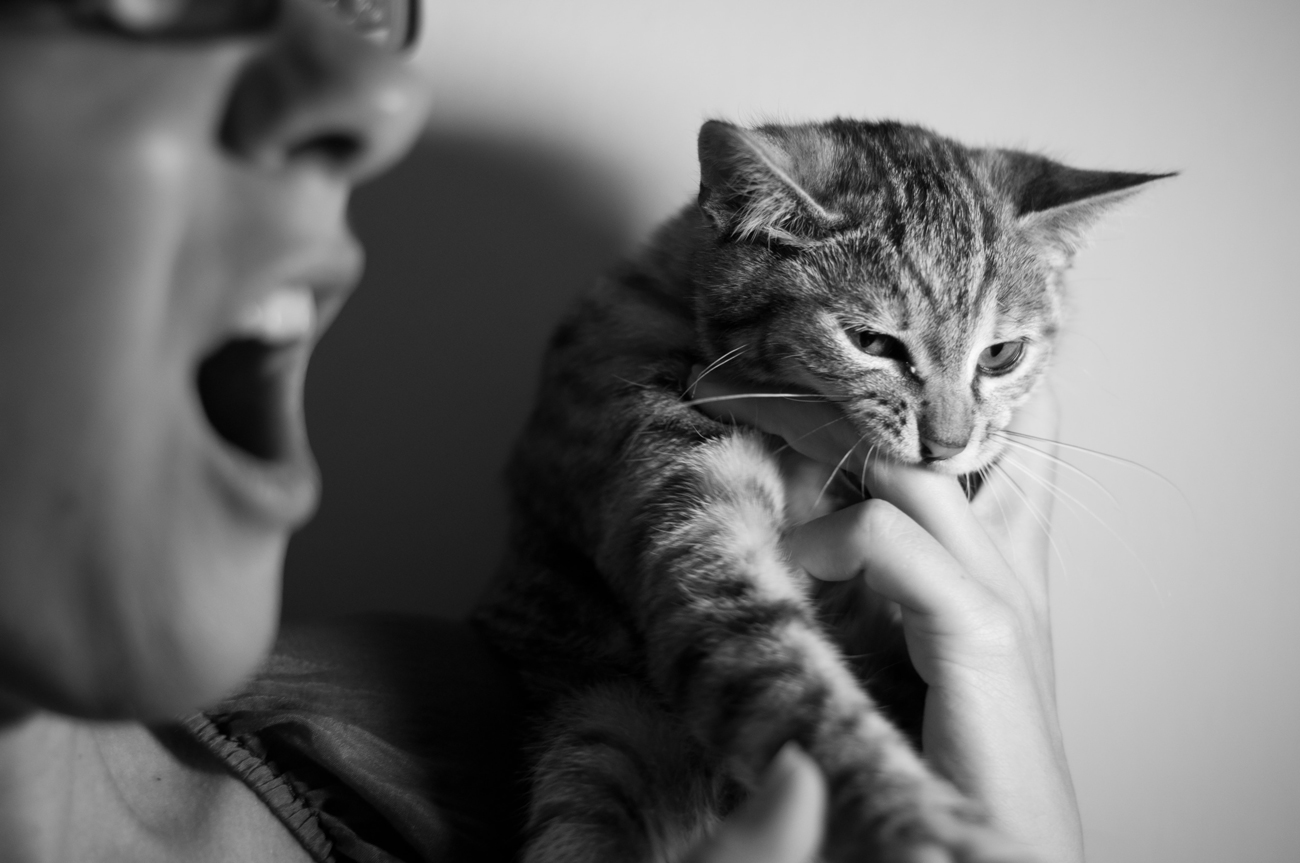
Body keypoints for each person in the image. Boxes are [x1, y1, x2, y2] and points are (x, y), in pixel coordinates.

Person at [0, 1, 1082, 861]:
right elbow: (704, 581)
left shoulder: (387, 741)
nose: (379, 97)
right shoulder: (635, 365)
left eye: (367, 5)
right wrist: (933, 824)